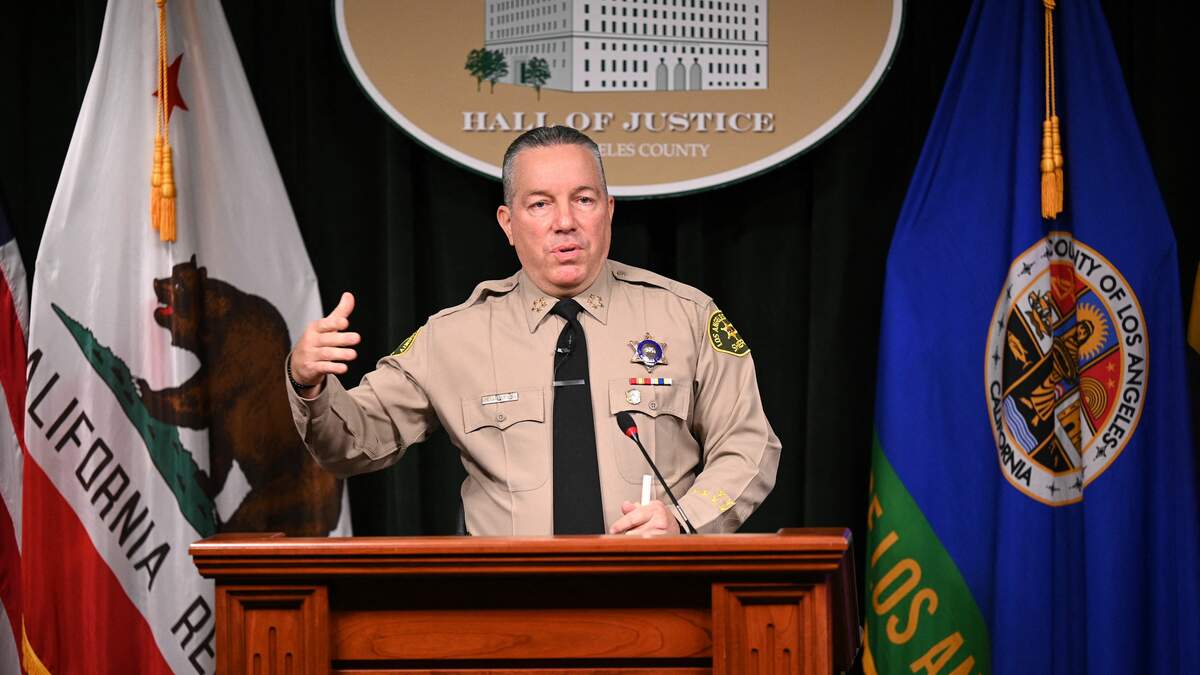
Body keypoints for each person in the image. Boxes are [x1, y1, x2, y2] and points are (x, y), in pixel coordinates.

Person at [287, 125, 780, 536]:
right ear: (508, 222)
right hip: (509, 603)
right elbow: (352, 444)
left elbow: (749, 447)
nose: (565, 222)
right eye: (540, 204)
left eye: (583, 199)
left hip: (658, 594)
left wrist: (685, 520)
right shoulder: (453, 336)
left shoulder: (686, 316)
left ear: (608, 211)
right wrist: (309, 383)